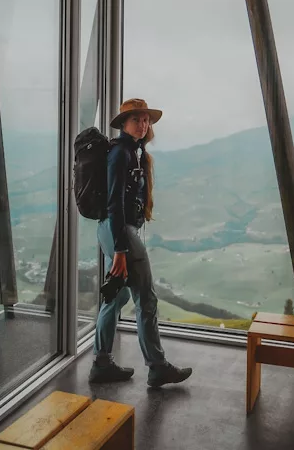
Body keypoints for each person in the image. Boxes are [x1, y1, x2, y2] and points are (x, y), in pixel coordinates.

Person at [89, 98, 193, 388]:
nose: (143, 124)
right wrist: (122, 250)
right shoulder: (121, 154)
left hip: (111, 230)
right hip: (119, 230)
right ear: (124, 123)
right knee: (145, 299)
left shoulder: (133, 152)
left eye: (146, 120)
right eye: (137, 119)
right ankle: (157, 366)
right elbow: (114, 204)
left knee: (118, 296)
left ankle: (101, 363)